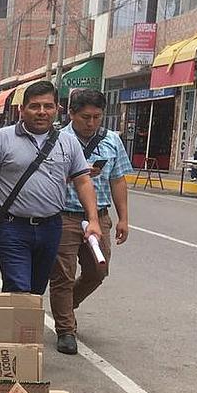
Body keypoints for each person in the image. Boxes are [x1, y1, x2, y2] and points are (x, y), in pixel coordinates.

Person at [0, 81, 102, 296]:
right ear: (22, 109)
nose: (42, 112)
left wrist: (93, 220)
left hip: (51, 228)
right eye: (35, 106)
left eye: (48, 106)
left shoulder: (68, 142)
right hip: (12, 228)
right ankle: (17, 316)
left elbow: (83, 181)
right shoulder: (2, 138)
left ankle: (21, 318)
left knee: (36, 291)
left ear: (57, 109)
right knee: (19, 290)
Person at [48, 89, 132, 355]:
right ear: (71, 114)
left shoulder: (112, 140)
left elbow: (118, 179)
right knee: (62, 274)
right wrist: (79, 174)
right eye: (85, 117)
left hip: (99, 217)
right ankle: (65, 329)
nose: (91, 122)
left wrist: (124, 218)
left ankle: (66, 305)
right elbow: (47, 179)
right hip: (64, 215)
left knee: (98, 269)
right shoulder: (57, 140)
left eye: (97, 117)